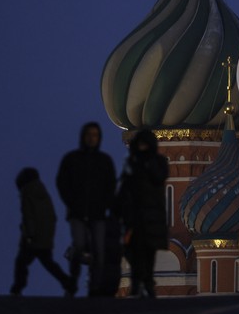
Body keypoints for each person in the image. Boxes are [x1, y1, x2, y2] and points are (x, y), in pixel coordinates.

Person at [56, 122, 116, 296]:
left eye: (95, 135)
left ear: (99, 138)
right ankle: (73, 281)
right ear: (83, 136)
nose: (92, 138)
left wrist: (105, 205)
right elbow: (62, 182)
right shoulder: (72, 159)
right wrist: (71, 202)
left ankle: (95, 287)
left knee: (99, 251)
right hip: (77, 213)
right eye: (89, 135)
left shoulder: (104, 161)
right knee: (79, 245)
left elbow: (110, 185)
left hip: (98, 214)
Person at [116, 129, 169, 298]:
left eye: (145, 144)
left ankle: (147, 282)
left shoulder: (157, 162)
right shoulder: (131, 163)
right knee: (133, 250)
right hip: (135, 215)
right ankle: (137, 282)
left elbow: (160, 177)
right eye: (140, 144)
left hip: (152, 215)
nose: (142, 148)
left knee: (148, 251)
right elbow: (124, 186)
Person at [10, 167, 76, 297]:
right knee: (48, 263)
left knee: (21, 263)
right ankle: (69, 283)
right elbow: (52, 217)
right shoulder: (43, 192)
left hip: (32, 238)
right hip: (45, 238)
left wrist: (28, 235)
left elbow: (28, 216)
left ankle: (17, 289)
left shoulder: (27, 193)